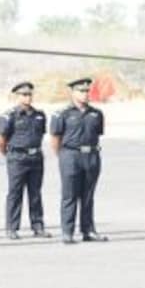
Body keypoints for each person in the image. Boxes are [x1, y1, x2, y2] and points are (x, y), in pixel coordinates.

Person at [50, 77, 109, 244]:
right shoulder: (62, 114)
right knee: (69, 196)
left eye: (86, 91)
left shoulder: (96, 114)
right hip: (70, 156)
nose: (85, 94)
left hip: (91, 155)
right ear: (73, 93)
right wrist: (63, 157)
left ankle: (88, 230)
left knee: (88, 196)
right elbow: (55, 139)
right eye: (81, 91)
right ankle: (67, 232)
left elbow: (97, 134)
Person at [0, 81, 50, 240]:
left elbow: (40, 135)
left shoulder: (39, 115)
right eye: (24, 95)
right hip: (17, 158)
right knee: (15, 193)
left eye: (29, 94)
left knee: (35, 193)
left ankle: (38, 226)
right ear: (17, 96)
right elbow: (1, 140)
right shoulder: (9, 116)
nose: (27, 97)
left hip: (35, 157)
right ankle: (12, 228)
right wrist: (9, 155)